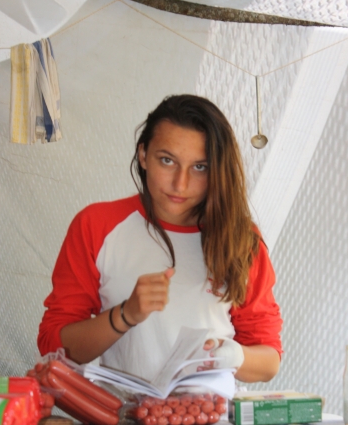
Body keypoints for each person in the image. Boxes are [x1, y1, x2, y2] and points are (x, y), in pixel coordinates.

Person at [38, 94, 282, 384]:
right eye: (167, 161)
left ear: (218, 170)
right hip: (122, 411)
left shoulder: (240, 237)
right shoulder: (96, 225)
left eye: (200, 167)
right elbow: (53, 346)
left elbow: (269, 361)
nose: (180, 184)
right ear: (143, 155)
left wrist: (231, 355)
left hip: (209, 413)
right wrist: (125, 315)